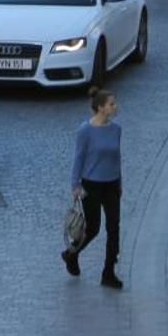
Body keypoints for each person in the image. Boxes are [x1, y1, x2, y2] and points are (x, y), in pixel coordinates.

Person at [63, 86, 125, 289]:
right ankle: (71, 253)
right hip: (91, 185)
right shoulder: (85, 131)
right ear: (100, 108)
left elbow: (117, 158)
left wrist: (120, 182)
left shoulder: (116, 130)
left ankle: (109, 272)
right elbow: (78, 158)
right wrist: (75, 185)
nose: (115, 107)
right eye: (111, 104)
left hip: (112, 184)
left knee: (114, 227)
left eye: (114, 104)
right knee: (93, 228)